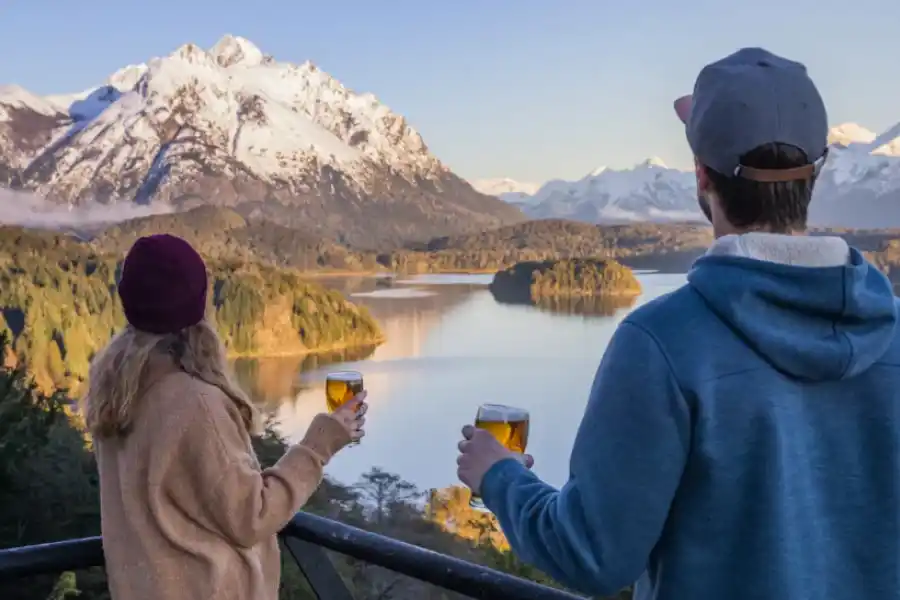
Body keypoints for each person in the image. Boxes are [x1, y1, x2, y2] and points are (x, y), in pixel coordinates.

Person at [456, 47, 900, 600]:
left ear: (701, 177)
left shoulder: (661, 344)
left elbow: (592, 554)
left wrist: (498, 477)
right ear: (818, 172)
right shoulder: (892, 331)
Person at [82, 234, 367, 600]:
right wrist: (319, 445)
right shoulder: (195, 402)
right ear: (198, 306)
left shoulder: (117, 389)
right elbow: (252, 516)